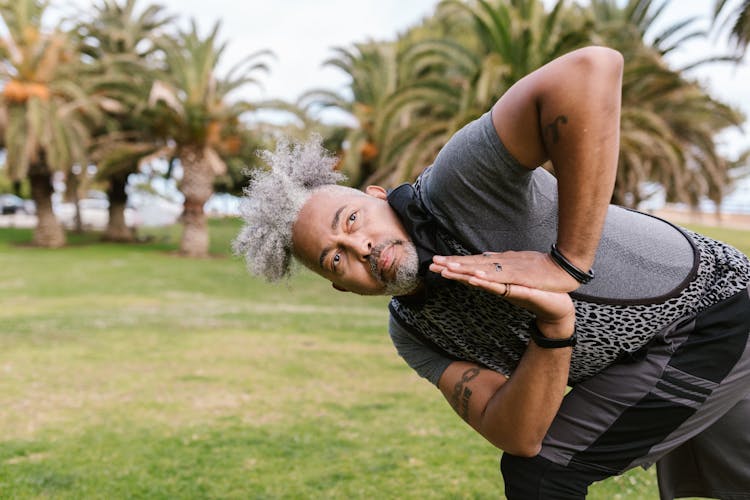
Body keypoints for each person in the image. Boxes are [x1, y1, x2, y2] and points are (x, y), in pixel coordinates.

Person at [234, 46, 750, 499]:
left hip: (717, 310)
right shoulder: (412, 330)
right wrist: (553, 329)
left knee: (546, 478)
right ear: (340, 286)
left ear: (376, 196)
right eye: (337, 258)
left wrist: (566, 264)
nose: (360, 247)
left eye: (350, 222)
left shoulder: (458, 184)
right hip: (646, 359)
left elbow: (591, 68)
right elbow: (519, 434)